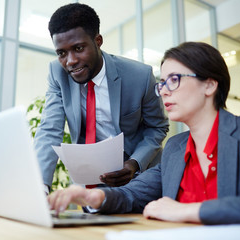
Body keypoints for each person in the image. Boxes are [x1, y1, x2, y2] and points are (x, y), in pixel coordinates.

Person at [47, 42, 240, 225]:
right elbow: (133, 193)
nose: (164, 90)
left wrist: (188, 210)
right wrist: (92, 196)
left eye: (174, 79)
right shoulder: (175, 148)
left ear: (210, 84)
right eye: (163, 83)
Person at [34, 3, 169, 194]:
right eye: (62, 53)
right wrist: (40, 187)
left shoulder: (139, 76)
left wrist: (133, 164)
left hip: (139, 176)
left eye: (78, 48)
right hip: (89, 179)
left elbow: (157, 127)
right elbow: (49, 129)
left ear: (98, 41)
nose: (70, 61)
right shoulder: (58, 73)